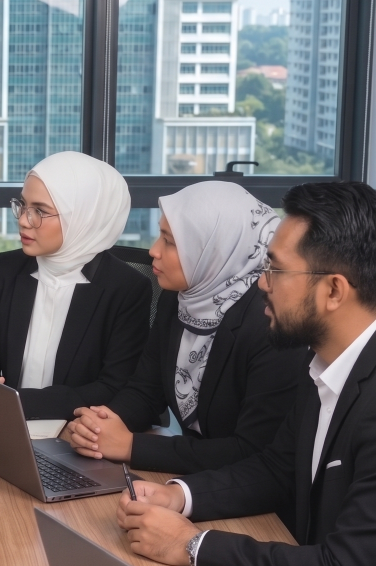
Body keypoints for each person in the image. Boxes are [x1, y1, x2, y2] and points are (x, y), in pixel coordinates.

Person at [116, 181, 376, 566]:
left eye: (275, 269)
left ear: (334, 290)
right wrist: (180, 496)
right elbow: (276, 469)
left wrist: (194, 546)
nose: (260, 283)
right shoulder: (323, 366)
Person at [65, 181, 306, 474]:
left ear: (215, 250)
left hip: (246, 488)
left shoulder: (272, 323)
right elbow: (145, 390)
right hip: (194, 473)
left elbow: (252, 451)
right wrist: (99, 426)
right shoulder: (179, 298)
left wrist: (131, 446)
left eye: (170, 241)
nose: (154, 251)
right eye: (160, 235)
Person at [0, 151, 150, 420]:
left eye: (39, 211)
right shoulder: (6, 267)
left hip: (75, 430)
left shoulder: (126, 288)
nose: (23, 220)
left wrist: (17, 402)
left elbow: (113, 387)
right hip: (2, 422)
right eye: (22, 205)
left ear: (82, 217)